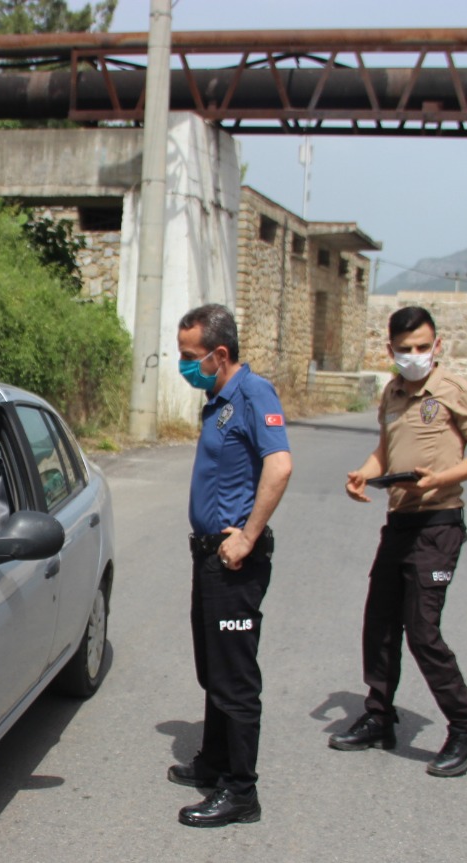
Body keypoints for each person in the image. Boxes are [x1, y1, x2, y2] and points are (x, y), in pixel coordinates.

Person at [337, 305, 467, 777]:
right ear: (390, 350)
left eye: (423, 347)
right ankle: (379, 716)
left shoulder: (453, 390)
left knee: (422, 630)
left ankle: (466, 728)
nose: (414, 356)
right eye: (405, 349)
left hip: (439, 521)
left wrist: (441, 478)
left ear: (437, 345)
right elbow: (385, 451)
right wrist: (364, 475)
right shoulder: (391, 392)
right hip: (400, 521)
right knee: (380, 623)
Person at [169, 303, 293, 828]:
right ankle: (216, 763)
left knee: (235, 678)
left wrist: (247, 535)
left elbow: (280, 464)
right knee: (213, 669)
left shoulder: (253, 393)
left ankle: (241, 791)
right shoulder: (216, 397)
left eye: (190, 357)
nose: (184, 366)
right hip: (209, 558)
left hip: (234, 561)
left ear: (220, 354)